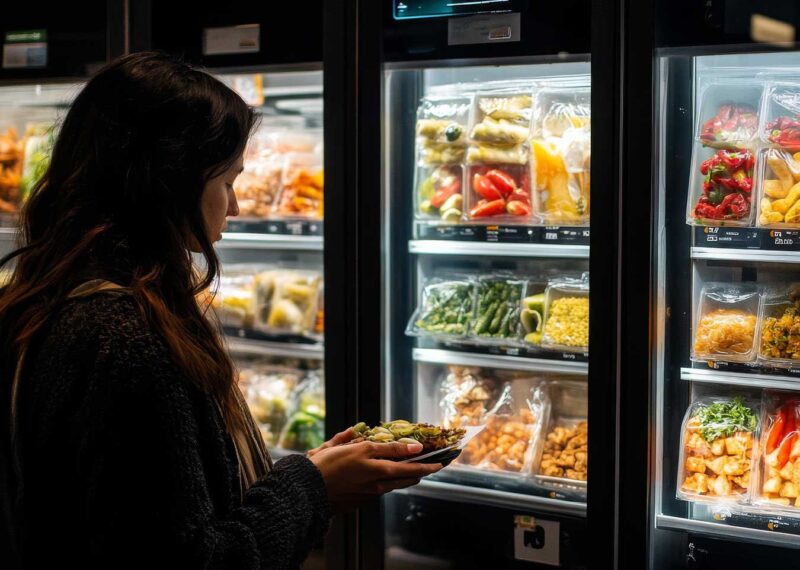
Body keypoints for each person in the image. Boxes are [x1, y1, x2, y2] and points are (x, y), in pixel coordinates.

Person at [0, 52, 442, 569]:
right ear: (168, 181)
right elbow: (194, 559)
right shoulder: (125, 339)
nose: (233, 206)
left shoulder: (47, 297)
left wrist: (312, 471)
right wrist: (314, 487)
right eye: (227, 180)